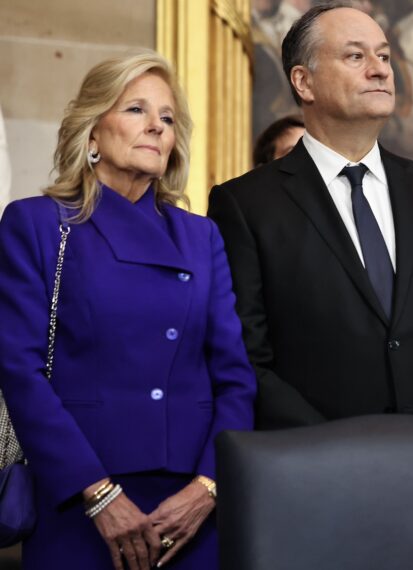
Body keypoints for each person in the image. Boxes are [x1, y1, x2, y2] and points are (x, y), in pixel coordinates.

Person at [0, 51, 256, 570]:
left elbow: (235, 376)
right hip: (78, 495)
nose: (157, 128)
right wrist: (97, 494)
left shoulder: (201, 235)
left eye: (167, 118)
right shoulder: (38, 223)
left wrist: (209, 486)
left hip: (190, 509)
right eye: (137, 110)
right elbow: (18, 371)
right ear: (92, 133)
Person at [208, 3, 413, 430]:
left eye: (384, 56)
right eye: (356, 56)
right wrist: (335, 451)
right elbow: (248, 356)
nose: (381, 70)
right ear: (303, 81)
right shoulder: (246, 205)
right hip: (316, 470)